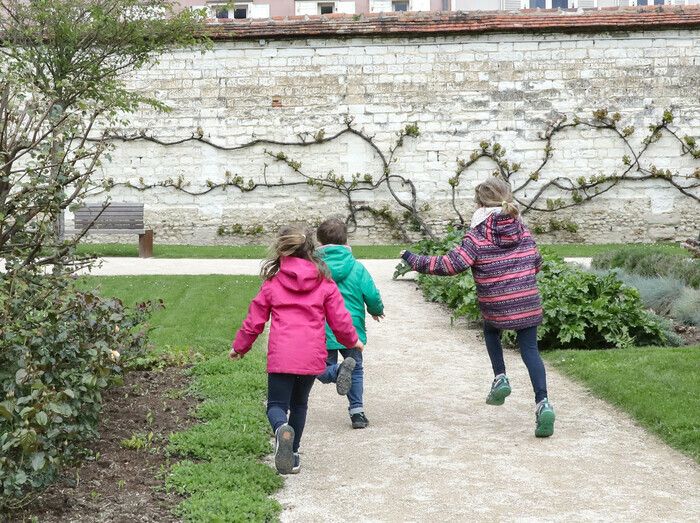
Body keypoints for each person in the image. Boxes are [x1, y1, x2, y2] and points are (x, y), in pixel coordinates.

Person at [400, 177, 555, 438]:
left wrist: (412, 258)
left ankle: (500, 377)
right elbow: (536, 262)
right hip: (527, 301)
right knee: (530, 351)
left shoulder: (477, 234)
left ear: (480, 203)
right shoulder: (522, 229)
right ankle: (543, 403)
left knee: (491, 330)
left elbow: (451, 265)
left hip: (496, 304)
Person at [230, 226, 363, 474]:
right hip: (311, 354)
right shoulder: (325, 283)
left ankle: (281, 430)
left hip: (282, 355)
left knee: (276, 405)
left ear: (282, 251)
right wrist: (351, 341)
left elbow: (254, 321)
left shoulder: (272, 284)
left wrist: (240, 347)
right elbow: (340, 319)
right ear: (311, 250)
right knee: (300, 404)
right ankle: (292, 453)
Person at [315, 218, 384, 429]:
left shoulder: (314, 269)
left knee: (316, 368)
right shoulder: (356, 268)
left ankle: (335, 371)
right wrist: (376, 310)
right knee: (356, 369)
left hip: (322, 328)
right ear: (346, 240)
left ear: (319, 242)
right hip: (350, 329)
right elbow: (371, 294)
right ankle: (357, 412)